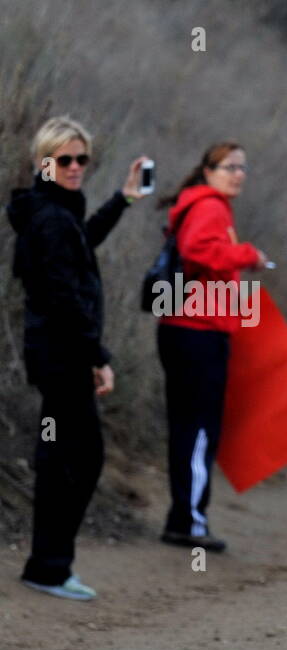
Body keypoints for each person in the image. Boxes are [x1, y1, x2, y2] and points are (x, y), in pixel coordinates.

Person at [6, 117, 147, 600]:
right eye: (63, 159)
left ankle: (46, 564)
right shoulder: (49, 218)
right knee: (81, 459)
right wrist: (97, 356)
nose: (73, 167)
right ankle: (48, 567)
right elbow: (64, 296)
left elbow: (82, 245)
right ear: (43, 162)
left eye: (80, 159)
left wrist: (123, 199)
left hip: (57, 354)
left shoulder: (54, 212)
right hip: (63, 356)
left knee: (60, 457)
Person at [156, 142, 268, 552]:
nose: (237, 174)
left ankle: (181, 518)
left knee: (188, 428)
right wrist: (248, 254)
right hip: (198, 330)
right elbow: (197, 250)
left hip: (183, 326)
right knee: (200, 430)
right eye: (228, 167)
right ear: (208, 170)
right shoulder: (210, 207)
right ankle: (190, 522)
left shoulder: (196, 203)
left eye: (242, 167)